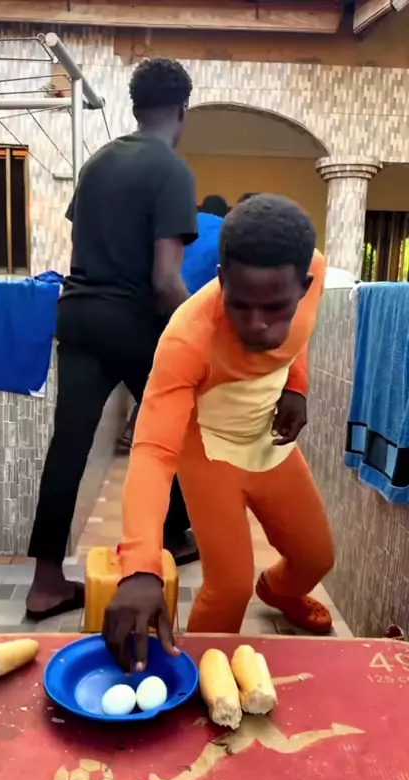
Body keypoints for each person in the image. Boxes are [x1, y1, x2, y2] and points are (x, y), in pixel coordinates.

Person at [103, 194, 335, 672]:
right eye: (240, 306)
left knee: (316, 559)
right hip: (208, 455)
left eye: (275, 308)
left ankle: (278, 592)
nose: (256, 325)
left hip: (268, 444)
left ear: (304, 286)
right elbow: (152, 451)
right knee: (228, 587)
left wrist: (297, 385)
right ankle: (197, 673)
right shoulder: (186, 337)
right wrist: (141, 566)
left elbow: (300, 336)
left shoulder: (312, 269)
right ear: (222, 280)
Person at [25, 57, 200, 621]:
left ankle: (46, 584)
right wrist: (202, 334)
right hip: (131, 319)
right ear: (182, 110)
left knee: (68, 445)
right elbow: (165, 280)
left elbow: (84, 247)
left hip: (77, 313)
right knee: (172, 426)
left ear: (134, 107)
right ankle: (172, 536)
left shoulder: (98, 162)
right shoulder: (172, 170)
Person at [115, 195, 227, 456]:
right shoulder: (225, 232)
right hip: (195, 313)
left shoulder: (185, 224)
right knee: (189, 378)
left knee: (158, 375)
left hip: (159, 304)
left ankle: (134, 432)